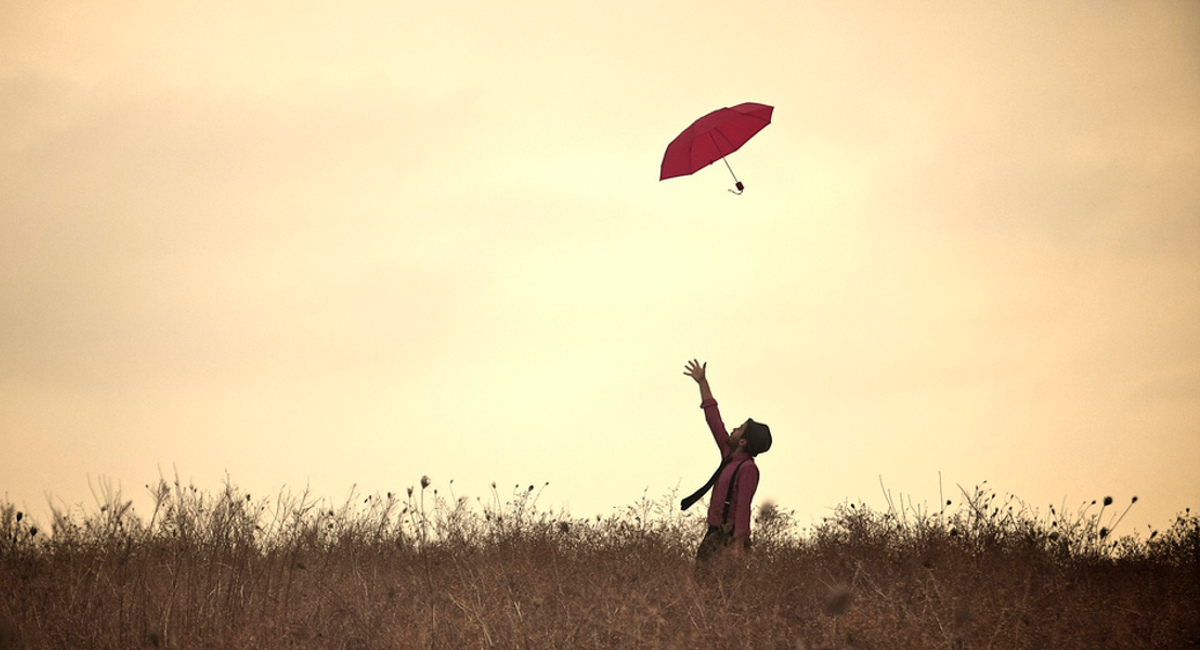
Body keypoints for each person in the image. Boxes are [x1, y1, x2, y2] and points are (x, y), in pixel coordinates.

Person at [681, 359, 772, 563]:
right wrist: (702, 382)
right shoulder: (728, 456)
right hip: (714, 534)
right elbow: (713, 419)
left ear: (742, 441)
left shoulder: (747, 468)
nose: (732, 429)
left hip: (728, 538)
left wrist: (738, 546)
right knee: (703, 586)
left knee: (722, 590)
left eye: (738, 429)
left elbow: (743, 507)